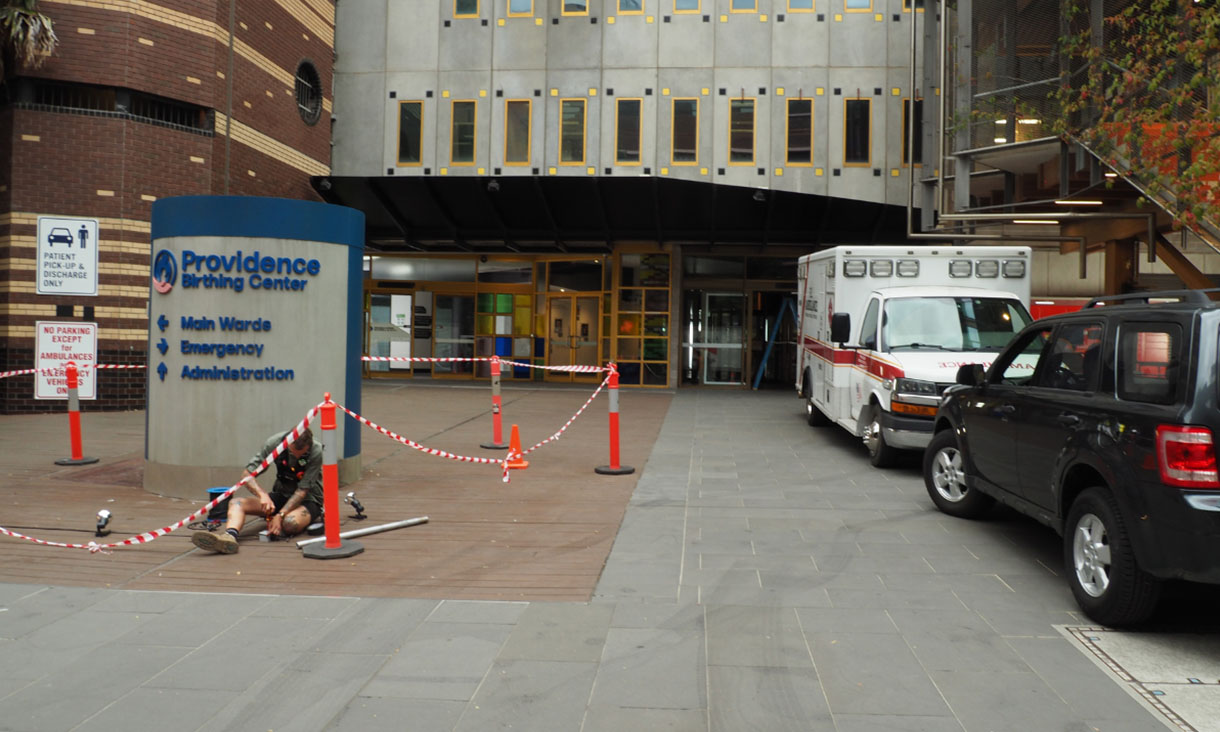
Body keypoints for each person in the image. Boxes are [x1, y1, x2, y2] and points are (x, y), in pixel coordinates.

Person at [191, 428, 323, 554]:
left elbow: (302, 490)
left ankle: (297, 518)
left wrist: (280, 515)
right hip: (282, 494)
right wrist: (263, 495)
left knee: (289, 523)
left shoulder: (316, 450)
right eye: (292, 452)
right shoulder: (274, 443)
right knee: (236, 503)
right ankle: (229, 537)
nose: (295, 457)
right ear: (287, 443)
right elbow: (246, 475)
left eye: (301, 454)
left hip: (308, 499)